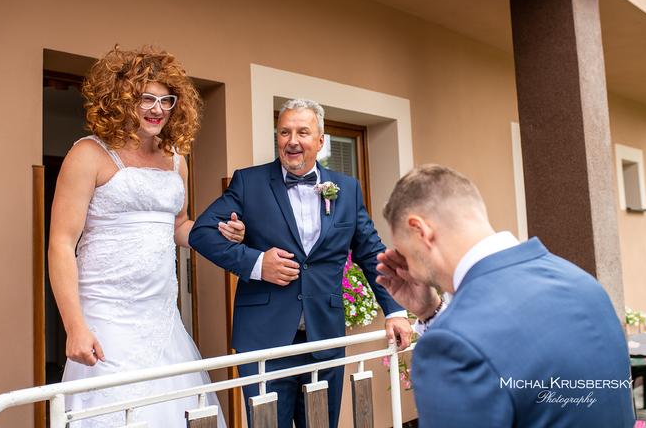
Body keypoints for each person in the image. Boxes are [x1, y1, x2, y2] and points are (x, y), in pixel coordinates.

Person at [189, 98, 413, 428]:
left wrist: (394, 311)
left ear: (320, 141)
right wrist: (256, 263)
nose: (292, 140)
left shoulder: (347, 189)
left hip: (324, 337)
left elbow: (370, 252)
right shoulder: (249, 183)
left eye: (302, 132)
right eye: (284, 132)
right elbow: (201, 233)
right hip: (264, 342)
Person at [48, 46, 241, 427]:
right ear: (121, 99)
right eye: (146, 99)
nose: (158, 109)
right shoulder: (88, 155)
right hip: (105, 315)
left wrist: (217, 232)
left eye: (166, 101)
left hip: (161, 316)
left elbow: (178, 226)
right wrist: (74, 326)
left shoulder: (176, 160)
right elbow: (61, 244)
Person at [376, 164, 635, 428]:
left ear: (420, 230)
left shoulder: (450, 345)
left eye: (403, 251)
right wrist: (429, 311)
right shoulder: (584, 284)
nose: (409, 268)